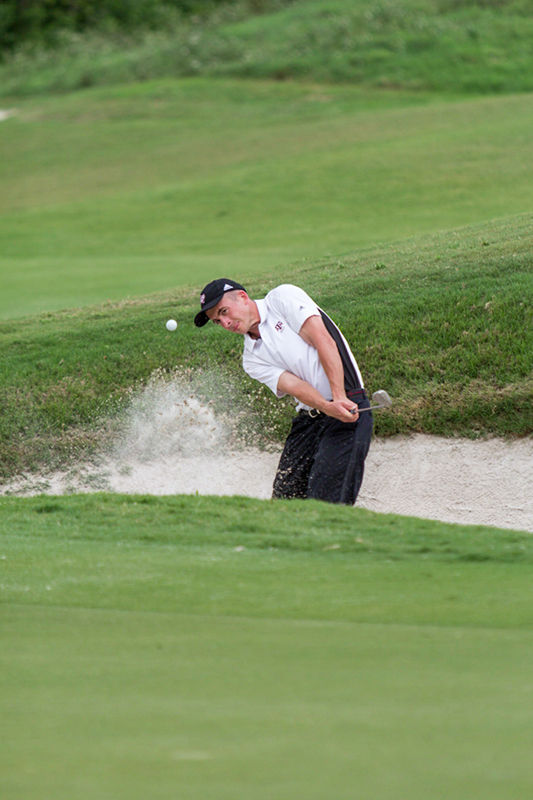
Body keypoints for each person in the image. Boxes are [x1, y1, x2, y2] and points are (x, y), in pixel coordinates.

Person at [194, 278, 372, 505]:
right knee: (284, 502)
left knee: (325, 503)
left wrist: (337, 398)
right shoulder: (251, 359)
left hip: (348, 405)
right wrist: (327, 406)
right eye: (218, 321)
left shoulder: (281, 298)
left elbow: (323, 340)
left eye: (224, 312)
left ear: (242, 296)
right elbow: (296, 386)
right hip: (309, 418)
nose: (226, 323)